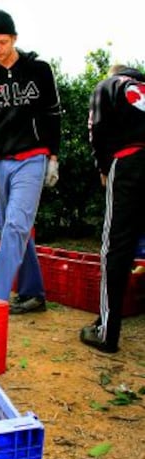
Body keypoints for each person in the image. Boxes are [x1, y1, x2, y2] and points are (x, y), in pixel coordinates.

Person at [0, 9, 61, 313]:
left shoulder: (39, 69)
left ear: (15, 39)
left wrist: (53, 157)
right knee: (15, 226)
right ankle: (33, 293)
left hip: (31, 158)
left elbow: (52, 116)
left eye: (3, 41)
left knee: (16, 226)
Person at [80, 65, 145, 353]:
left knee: (116, 246)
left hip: (130, 160)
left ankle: (107, 332)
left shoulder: (108, 85)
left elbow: (96, 127)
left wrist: (103, 166)